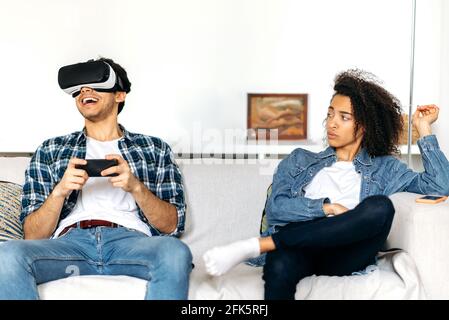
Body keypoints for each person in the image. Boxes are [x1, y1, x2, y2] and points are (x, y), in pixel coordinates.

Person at [203, 69, 449, 300]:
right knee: (279, 265)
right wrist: (328, 208)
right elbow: (278, 208)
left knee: (381, 207)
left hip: (347, 253)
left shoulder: (386, 169)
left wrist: (423, 129)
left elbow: (440, 184)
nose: (331, 123)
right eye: (330, 113)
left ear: (364, 126)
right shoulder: (299, 160)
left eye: (344, 117)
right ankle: (272, 246)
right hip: (301, 249)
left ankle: (260, 245)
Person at [0, 57, 192, 300]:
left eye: (95, 85)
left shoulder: (154, 148)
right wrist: (60, 191)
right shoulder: (51, 149)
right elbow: (32, 236)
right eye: (80, 89)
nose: (85, 91)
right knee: (6, 255)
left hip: (132, 242)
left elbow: (172, 226)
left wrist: (135, 187)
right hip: (70, 244)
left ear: (120, 95)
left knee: (175, 252)